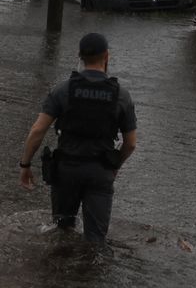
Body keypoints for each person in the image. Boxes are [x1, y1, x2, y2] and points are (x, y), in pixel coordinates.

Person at [18, 32, 137, 243]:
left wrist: (25, 164)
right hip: (100, 172)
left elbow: (38, 130)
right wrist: (115, 165)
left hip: (66, 171)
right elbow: (130, 144)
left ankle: (58, 270)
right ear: (107, 56)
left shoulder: (63, 90)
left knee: (61, 231)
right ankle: (90, 273)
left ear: (79, 56)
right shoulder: (121, 95)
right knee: (96, 239)